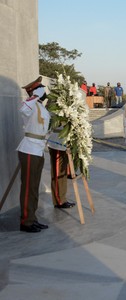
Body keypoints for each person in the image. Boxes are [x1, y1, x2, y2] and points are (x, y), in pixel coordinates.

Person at [17, 78, 50, 232]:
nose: (44, 92)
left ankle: (32, 217)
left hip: (38, 149)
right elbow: (22, 108)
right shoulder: (30, 105)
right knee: (28, 186)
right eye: (41, 89)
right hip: (29, 149)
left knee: (34, 186)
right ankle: (26, 221)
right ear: (34, 91)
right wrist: (34, 96)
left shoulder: (41, 108)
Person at [47, 128, 76, 209]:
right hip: (58, 141)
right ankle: (59, 201)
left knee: (62, 173)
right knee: (58, 173)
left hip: (65, 140)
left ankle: (62, 198)